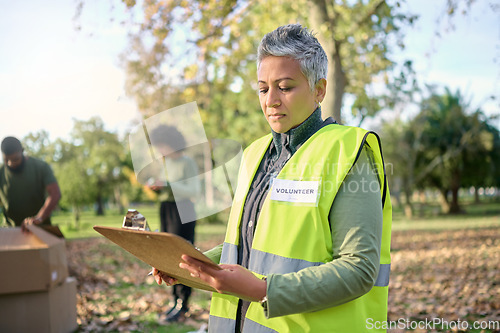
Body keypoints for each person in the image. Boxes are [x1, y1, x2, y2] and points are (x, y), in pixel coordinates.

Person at [153, 23, 392, 332]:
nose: (271, 100)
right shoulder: (254, 154)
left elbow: (359, 269)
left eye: (286, 86)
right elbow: (246, 249)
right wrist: (185, 265)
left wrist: (262, 291)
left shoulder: (348, 153)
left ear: (319, 89)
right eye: (263, 89)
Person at [147, 124, 201, 322]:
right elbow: (167, 187)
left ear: (172, 143)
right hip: (167, 209)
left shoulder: (187, 163)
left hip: (183, 209)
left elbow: (193, 190)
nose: (160, 150)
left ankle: (184, 302)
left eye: (162, 146)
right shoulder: (165, 162)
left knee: (183, 254)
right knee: (167, 254)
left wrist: (168, 185)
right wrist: (158, 187)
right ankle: (174, 300)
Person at [0, 136, 61, 229]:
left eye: (15, 159)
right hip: (10, 230)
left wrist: (39, 218)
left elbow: (55, 193)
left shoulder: (41, 167)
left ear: (22, 151)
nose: (10, 163)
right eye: (6, 160)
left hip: (40, 228)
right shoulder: (1, 172)